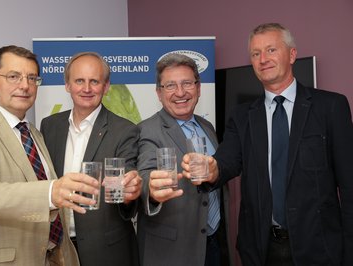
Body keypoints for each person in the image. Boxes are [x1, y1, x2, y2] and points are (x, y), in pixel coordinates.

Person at [183, 22, 353, 265]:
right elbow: (227, 161)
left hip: (320, 247)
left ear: (292, 54)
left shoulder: (331, 107)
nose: (263, 59)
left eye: (271, 50)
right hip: (261, 249)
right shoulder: (241, 116)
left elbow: (349, 186)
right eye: (255, 53)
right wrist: (212, 168)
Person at [0, 45, 100, 265]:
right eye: (14, 76)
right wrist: (51, 192)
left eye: (32, 78)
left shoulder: (33, 132)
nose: (25, 85)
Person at [40, 51, 142, 266]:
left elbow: (126, 189)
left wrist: (128, 192)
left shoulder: (125, 130)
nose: (86, 89)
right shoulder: (49, 126)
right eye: (79, 81)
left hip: (106, 251)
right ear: (67, 85)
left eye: (94, 81)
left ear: (105, 87)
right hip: (58, 247)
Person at [137, 53, 231, 266]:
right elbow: (144, 174)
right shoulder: (147, 130)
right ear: (159, 93)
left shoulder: (207, 127)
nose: (180, 92)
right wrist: (151, 189)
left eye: (187, 83)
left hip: (214, 241)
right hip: (173, 251)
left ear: (198, 88)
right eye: (170, 86)